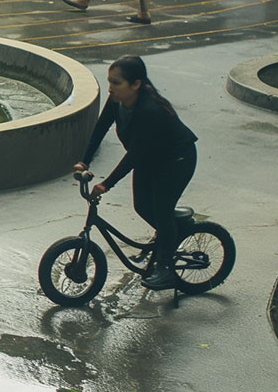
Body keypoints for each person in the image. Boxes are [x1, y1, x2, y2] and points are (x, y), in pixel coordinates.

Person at [74, 54, 198, 290]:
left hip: (176, 159)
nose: (110, 88)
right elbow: (100, 128)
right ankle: (171, 232)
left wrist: (105, 184)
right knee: (142, 206)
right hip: (150, 157)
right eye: (109, 81)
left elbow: (135, 155)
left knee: (161, 210)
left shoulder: (150, 110)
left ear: (136, 84)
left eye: (116, 83)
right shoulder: (117, 101)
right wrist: (84, 162)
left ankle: (166, 268)